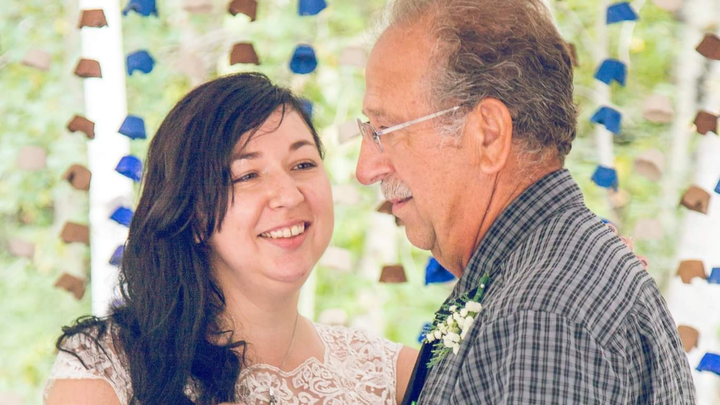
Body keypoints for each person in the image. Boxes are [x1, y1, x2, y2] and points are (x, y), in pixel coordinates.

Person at [355, 0, 696, 404]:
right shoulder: (539, 282)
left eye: (385, 129)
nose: (365, 169)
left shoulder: (541, 315)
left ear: (488, 136)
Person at [44, 72, 417, 405]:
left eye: (303, 165)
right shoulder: (103, 366)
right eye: (248, 175)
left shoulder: (395, 376)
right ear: (191, 215)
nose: (289, 196)